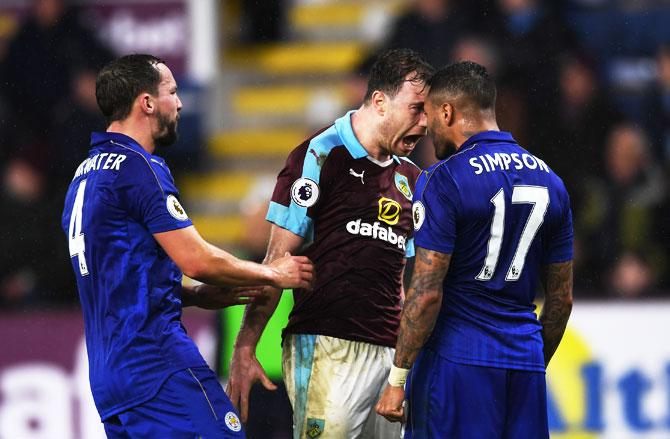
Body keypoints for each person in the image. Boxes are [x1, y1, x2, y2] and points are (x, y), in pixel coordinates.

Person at [61, 54, 314, 438]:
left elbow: (118, 279)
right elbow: (195, 258)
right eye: (172, 92)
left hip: (109, 377)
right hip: (155, 361)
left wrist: (194, 296)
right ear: (146, 103)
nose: (179, 104)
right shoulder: (138, 166)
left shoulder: (82, 177)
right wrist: (273, 272)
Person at [227, 48, 434, 438]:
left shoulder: (412, 178)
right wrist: (245, 346)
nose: (424, 123)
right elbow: (276, 261)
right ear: (379, 102)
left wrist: (406, 361)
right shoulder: (321, 155)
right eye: (416, 109)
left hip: (388, 356)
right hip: (325, 346)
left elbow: (402, 282)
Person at [376, 61, 574, 438]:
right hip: (524, 363)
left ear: (447, 112)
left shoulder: (444, 179)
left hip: (458, 362)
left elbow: (427, 292)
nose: (427, 128)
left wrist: (397, 378)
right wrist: (528, 361)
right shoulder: (552, 182)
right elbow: (561, 300)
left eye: (431, 115)